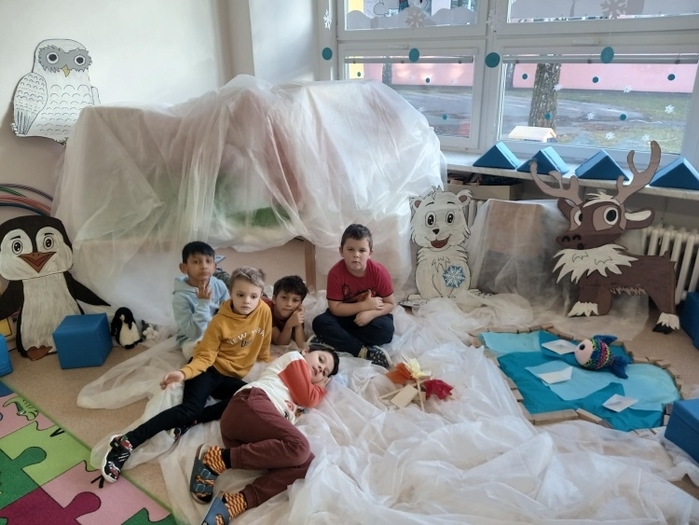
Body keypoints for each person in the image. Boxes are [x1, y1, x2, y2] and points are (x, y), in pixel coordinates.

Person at [101, 267, 272, 483]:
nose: (247, 301)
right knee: (189, 409)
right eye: (240, 294)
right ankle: (127, 441)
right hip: (207, 369)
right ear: (231, 293)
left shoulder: (264, 311)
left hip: (230, 375)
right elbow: (205, 357)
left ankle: (191, 421)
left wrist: (266, 358)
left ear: (261, 295)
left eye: (253, 296)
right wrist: (183, 373)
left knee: (247, 396)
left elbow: (264, 338)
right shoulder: (220, 322)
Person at [189, 343, 340, 523]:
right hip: (248, 404)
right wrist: (321, 387)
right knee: (300, 446)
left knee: (306, 464)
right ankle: (217, 460)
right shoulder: (295, 359)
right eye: (321, 360)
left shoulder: (302, 394)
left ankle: (237, 502)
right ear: (306, 351)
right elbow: (309, 398)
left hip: (249, 438)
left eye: (325, 372)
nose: (321, 369)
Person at [312, 224, 394, 368]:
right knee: (319, 323)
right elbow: (335, 308)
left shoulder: (379, 272)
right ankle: (363, 351)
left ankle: (337, 340)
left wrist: (371, 313)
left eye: (362, 250)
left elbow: (390, 303)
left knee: (385, 331)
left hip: (372, 315)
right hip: (344, 315)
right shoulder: (335, 273)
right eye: (350, 249)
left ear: (370, 253)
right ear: (341, 251)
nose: (356, 255)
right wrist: (364, 305)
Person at [173, 241, 230, 360]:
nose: (204, 266)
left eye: (208, 261)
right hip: (193, 338)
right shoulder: (180, 297)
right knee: (194, 351)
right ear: (184, 268)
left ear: (214, 266)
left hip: (217, 331)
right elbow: (194, 333)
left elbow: (228, 313)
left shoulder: (219, 285)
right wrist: (203, 304)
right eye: (196, 262)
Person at [261, 275, 308, 348]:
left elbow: (301, 345)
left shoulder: (295, 312)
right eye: (284, 298)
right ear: (274, 299)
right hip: (261, 301)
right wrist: (289, 325)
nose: (289, 304)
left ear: (300, 304)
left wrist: (298, 323)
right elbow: (280, 342)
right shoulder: (267, 310)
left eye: (295, 300)